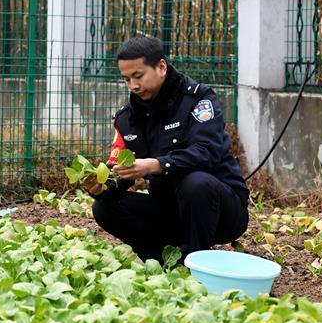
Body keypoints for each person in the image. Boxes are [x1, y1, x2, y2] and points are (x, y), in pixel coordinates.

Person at [83, 36, 249, 263]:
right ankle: (163, 262)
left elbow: (207, 151)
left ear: (161, 67)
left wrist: (156, 165)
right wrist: (100, 187)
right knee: (104, 208)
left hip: (222, 210)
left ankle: (198, 263)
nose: (133, 85)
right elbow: (120, 173)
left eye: (138, 76)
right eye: (126, 79)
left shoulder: (198, 98)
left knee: (196, 183)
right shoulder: (126, 119)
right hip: (170, 210)